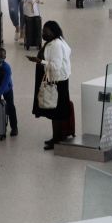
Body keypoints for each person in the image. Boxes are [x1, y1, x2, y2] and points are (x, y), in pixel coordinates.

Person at [31, 20, 73, 150]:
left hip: (57, 82)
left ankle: (56, 139)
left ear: (53, 32)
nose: (43, 33)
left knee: (55, 112)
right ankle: (59, 136)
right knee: (58, 111)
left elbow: (55, 66)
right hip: (60, 80)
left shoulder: (56, 45)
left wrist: (40, 61)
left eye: (46, 31)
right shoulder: (58, 41)